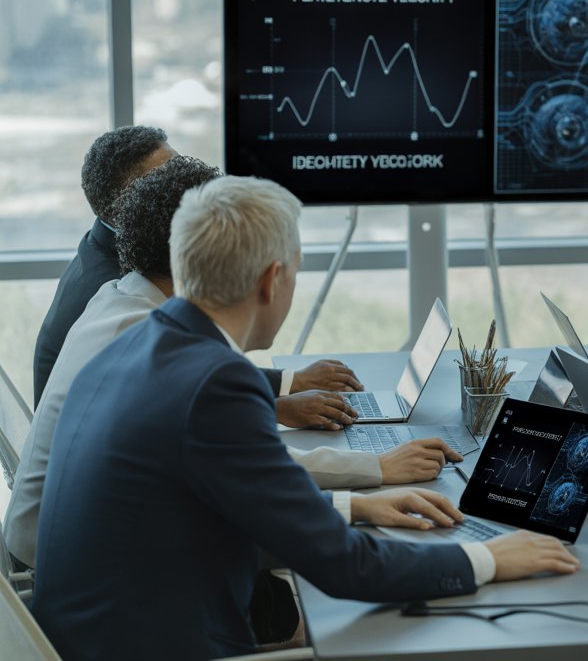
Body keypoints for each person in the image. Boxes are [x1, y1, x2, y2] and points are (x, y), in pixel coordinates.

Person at [32, 175, 579, 661]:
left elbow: (221, 503)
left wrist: (355, 506)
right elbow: (343, 570)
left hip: (85, 634)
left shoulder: (137, 341)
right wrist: (484, 558)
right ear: (272, 280)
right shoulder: (219, 385)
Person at [6, 158, 459, 569]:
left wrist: (356, 499)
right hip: (87, 573)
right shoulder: (164, 350)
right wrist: (376, 471)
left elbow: (247, 473)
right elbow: (267, 480)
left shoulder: (117, 300)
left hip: (78, 554)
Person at [31, 125, 370, 407]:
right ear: (136, 203)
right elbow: (188, 374)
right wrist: (282, 395)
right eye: (169, 178)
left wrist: (284, 393)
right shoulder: (116, 287)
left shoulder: (110, 259)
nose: (191, 186)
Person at [32, 126, 176, 405]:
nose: (188, 185)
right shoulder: (121, 284)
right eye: (169, 182)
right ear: (124, 207)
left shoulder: (102, 245)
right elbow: (183, 379)